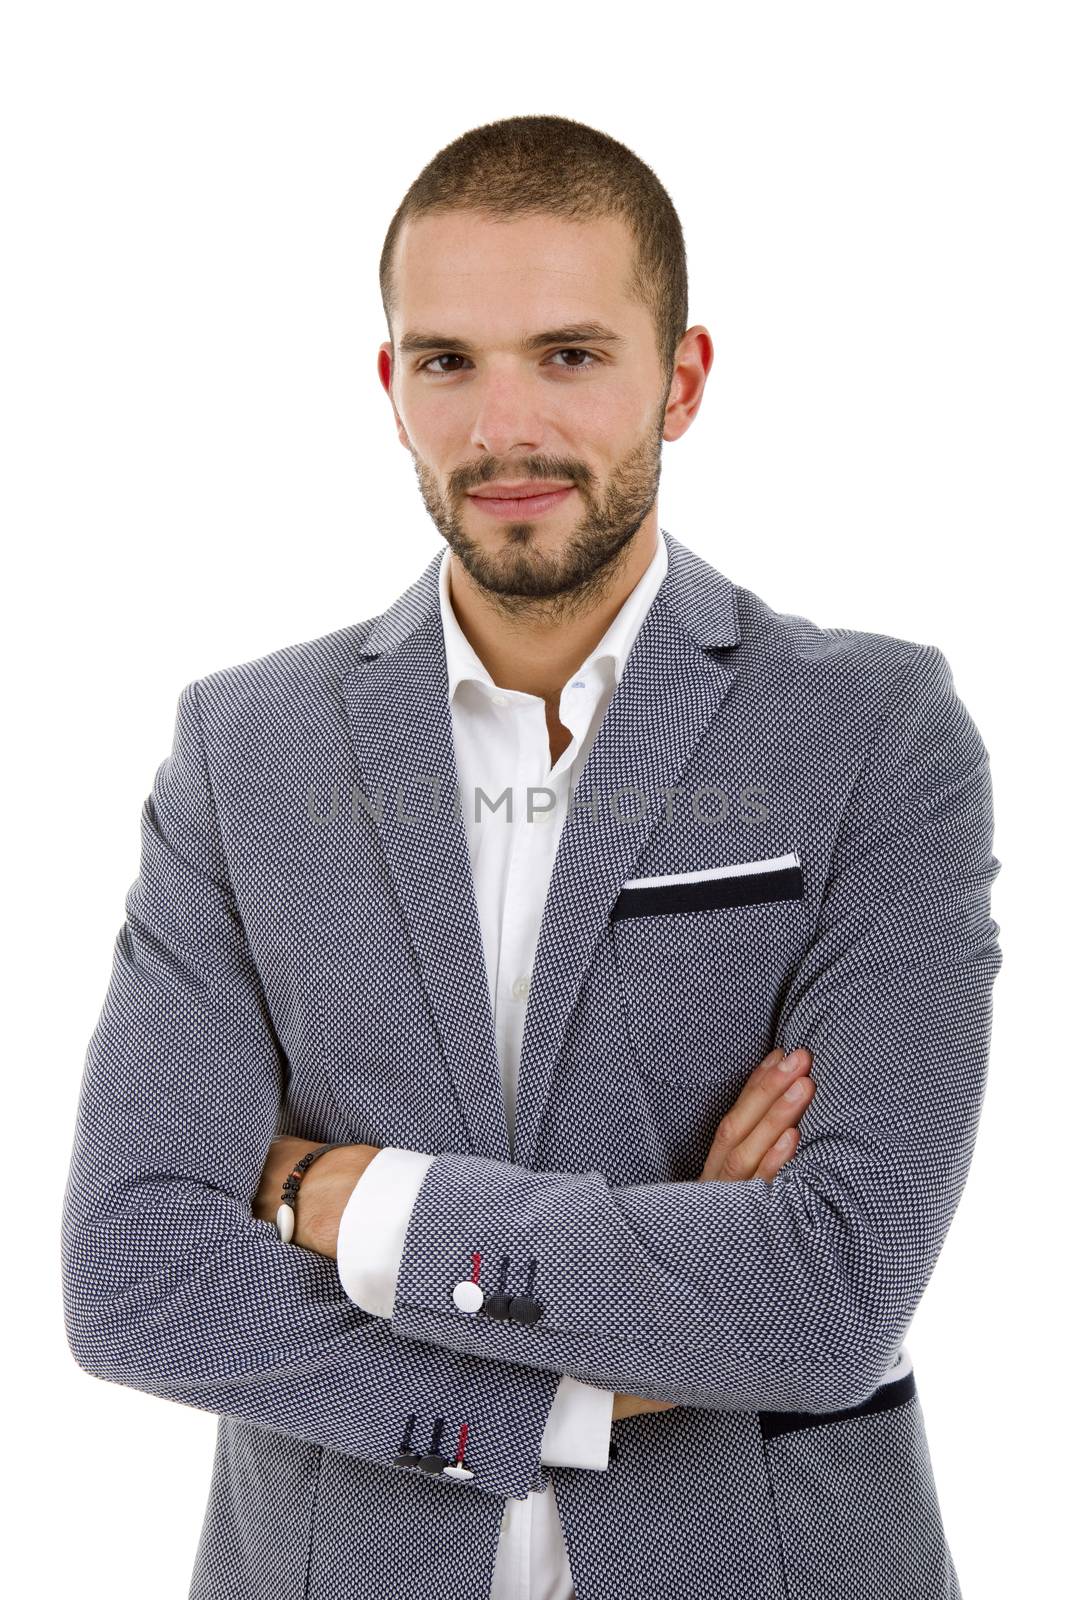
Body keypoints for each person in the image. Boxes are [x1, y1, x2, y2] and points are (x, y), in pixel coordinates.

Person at [61, 114, 1002, 1600]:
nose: (503, 429)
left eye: (568, 355)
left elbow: (833, 1292)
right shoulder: (248, 749)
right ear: (392, 388)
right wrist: (576, 1384)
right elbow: (137, 1276)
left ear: (679, 382)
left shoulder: (873, 730)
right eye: (448, 361)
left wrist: (344, 1200)